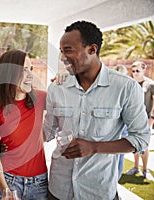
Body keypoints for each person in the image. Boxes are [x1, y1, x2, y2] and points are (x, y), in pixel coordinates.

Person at [43, 20, 151, 200]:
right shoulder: (57, 88)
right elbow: (48, 130)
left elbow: (141, 139)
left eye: (68, 50)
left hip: (99, 190)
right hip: (58, 189)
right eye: (61, 52)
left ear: (92, 49)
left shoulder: (125, 88)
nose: (62, 58)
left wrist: (94, 147)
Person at [0, 50, 48, 200]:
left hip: (39, 184)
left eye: (31, 70)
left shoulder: (40, 98)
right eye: (24, 70)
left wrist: (65, 80)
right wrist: (4, 189)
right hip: (8, 181)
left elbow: (70, 103)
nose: (30, 75)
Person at [125, 61, 154, 181]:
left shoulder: (150, 84)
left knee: (144, 145)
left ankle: (145, 170)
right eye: (133, 71)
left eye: (138, 71)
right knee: (134, 143)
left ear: (144, 70)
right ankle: (136, 167)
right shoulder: (130, 83)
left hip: (146, 119)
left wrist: (152, 118)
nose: (135, 73)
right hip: (132, 119)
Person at [112, 64, 129, 181]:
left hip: (117, 129)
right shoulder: (128, 87)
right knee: (119, 156)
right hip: (121, 128)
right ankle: (115, 182)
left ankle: (114, 182)